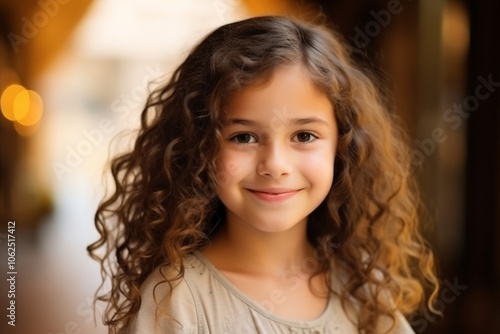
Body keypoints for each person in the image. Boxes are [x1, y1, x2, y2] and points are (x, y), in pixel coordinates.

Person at [88, 15, 440, 334]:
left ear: (342, 149)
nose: (275, 164)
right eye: (244, 137)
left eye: (304, 136)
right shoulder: (177, 300)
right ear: (198, 148)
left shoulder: (363, 293)